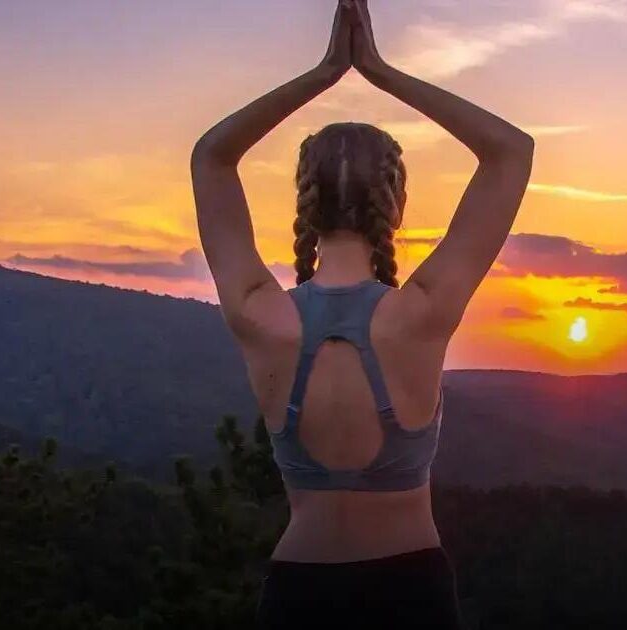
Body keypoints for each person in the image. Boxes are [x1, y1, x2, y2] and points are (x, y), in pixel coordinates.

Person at [190, 0, 534, 627]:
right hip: (412, 593)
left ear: (305, 204)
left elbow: (211, 157)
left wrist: (324, 72)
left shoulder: (260, 315)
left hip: (298, 597)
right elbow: (510, 151)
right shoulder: (420, 314)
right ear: (395, 206)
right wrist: (378, 69)